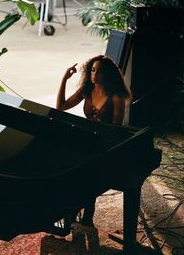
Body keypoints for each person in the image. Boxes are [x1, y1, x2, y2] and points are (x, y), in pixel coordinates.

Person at [56, 55, 132, 227]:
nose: (95, 74)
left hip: (106, 146)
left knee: (88, 169)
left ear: (108, 75)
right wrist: (64, 79)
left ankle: (78, 210)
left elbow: (114, 132)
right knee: (67, 163)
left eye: (100, 71)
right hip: (88, 142)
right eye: (93, 70)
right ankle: (76, 208)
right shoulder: (87, 91)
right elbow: (61, 107)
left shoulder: (116, 98)